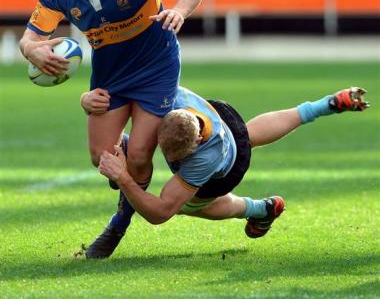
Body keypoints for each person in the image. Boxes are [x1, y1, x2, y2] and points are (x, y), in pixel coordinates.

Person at [18, 0, 209, 239]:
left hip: (156, 68)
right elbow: (30, 37)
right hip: (110, 77)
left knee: (136, 156)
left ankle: (121, 219)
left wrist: (179, 10)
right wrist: (32, 49)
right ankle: (130, 149)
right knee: (100, 157)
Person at [82, 85, 369, 258]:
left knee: (188, 206)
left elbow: (160, 213)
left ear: (196, 142)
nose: (169, 160)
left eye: (175, 157)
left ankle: (260, 209)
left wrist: (123, 176)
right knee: (246, 132)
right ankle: (325, 105)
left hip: (227, 164)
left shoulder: (204, 157)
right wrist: (87, 100)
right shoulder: (168, 96)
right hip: (216, 115)